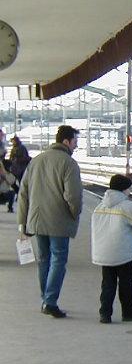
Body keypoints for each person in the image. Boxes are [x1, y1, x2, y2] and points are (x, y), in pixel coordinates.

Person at [18, 125, 82, 319]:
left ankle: (45, 299)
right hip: (58, 221)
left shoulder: (36, 161)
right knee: (58, 259)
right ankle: (50, 301)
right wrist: (74, 213)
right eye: (75, 142)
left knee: (44, 259)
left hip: (37, 220)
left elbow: (23, 193)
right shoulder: (69, 164)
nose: (76, 146)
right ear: (66, 141)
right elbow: (73, 196)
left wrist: (23, 222)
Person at [91, 174, 132, 324]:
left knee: (107, 284)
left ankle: (105, 314)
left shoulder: (100, 206)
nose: (129, 192)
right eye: (128, 189)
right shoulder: (126, 206)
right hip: (121, 251)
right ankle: (129, 312)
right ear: (123, 190)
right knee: (126, 283)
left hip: (104, 252)